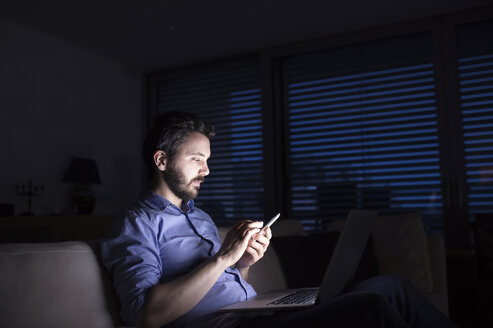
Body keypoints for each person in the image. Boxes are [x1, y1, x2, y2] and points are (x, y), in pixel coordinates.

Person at [100, 111, 458, 328]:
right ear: (161, 160)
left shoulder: (201, 217)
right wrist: (223, 257)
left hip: (257, 315)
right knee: (369, 307)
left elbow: (222, 283)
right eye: (196, 159)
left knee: (390, 285)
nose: (207, 170)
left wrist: (242, 264)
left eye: (208, 160)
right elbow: (145, 316)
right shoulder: (136, 224)